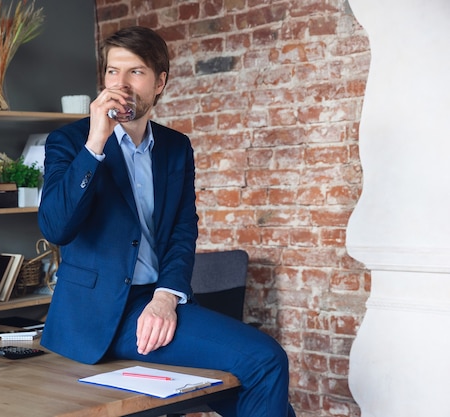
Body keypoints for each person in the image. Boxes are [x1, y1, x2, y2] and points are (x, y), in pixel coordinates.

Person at [38, 26, 295, 417]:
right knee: (265, 361)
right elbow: (56, 228)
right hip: (100, 317)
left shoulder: (175, 147)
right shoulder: (71, 142)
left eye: (135, 72)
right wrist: (95, 145)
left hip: (158, 302)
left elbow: (181, 230)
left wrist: (166, 297)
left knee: (256, 386)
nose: (120, 85)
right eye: (112, 72)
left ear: (160, 82)